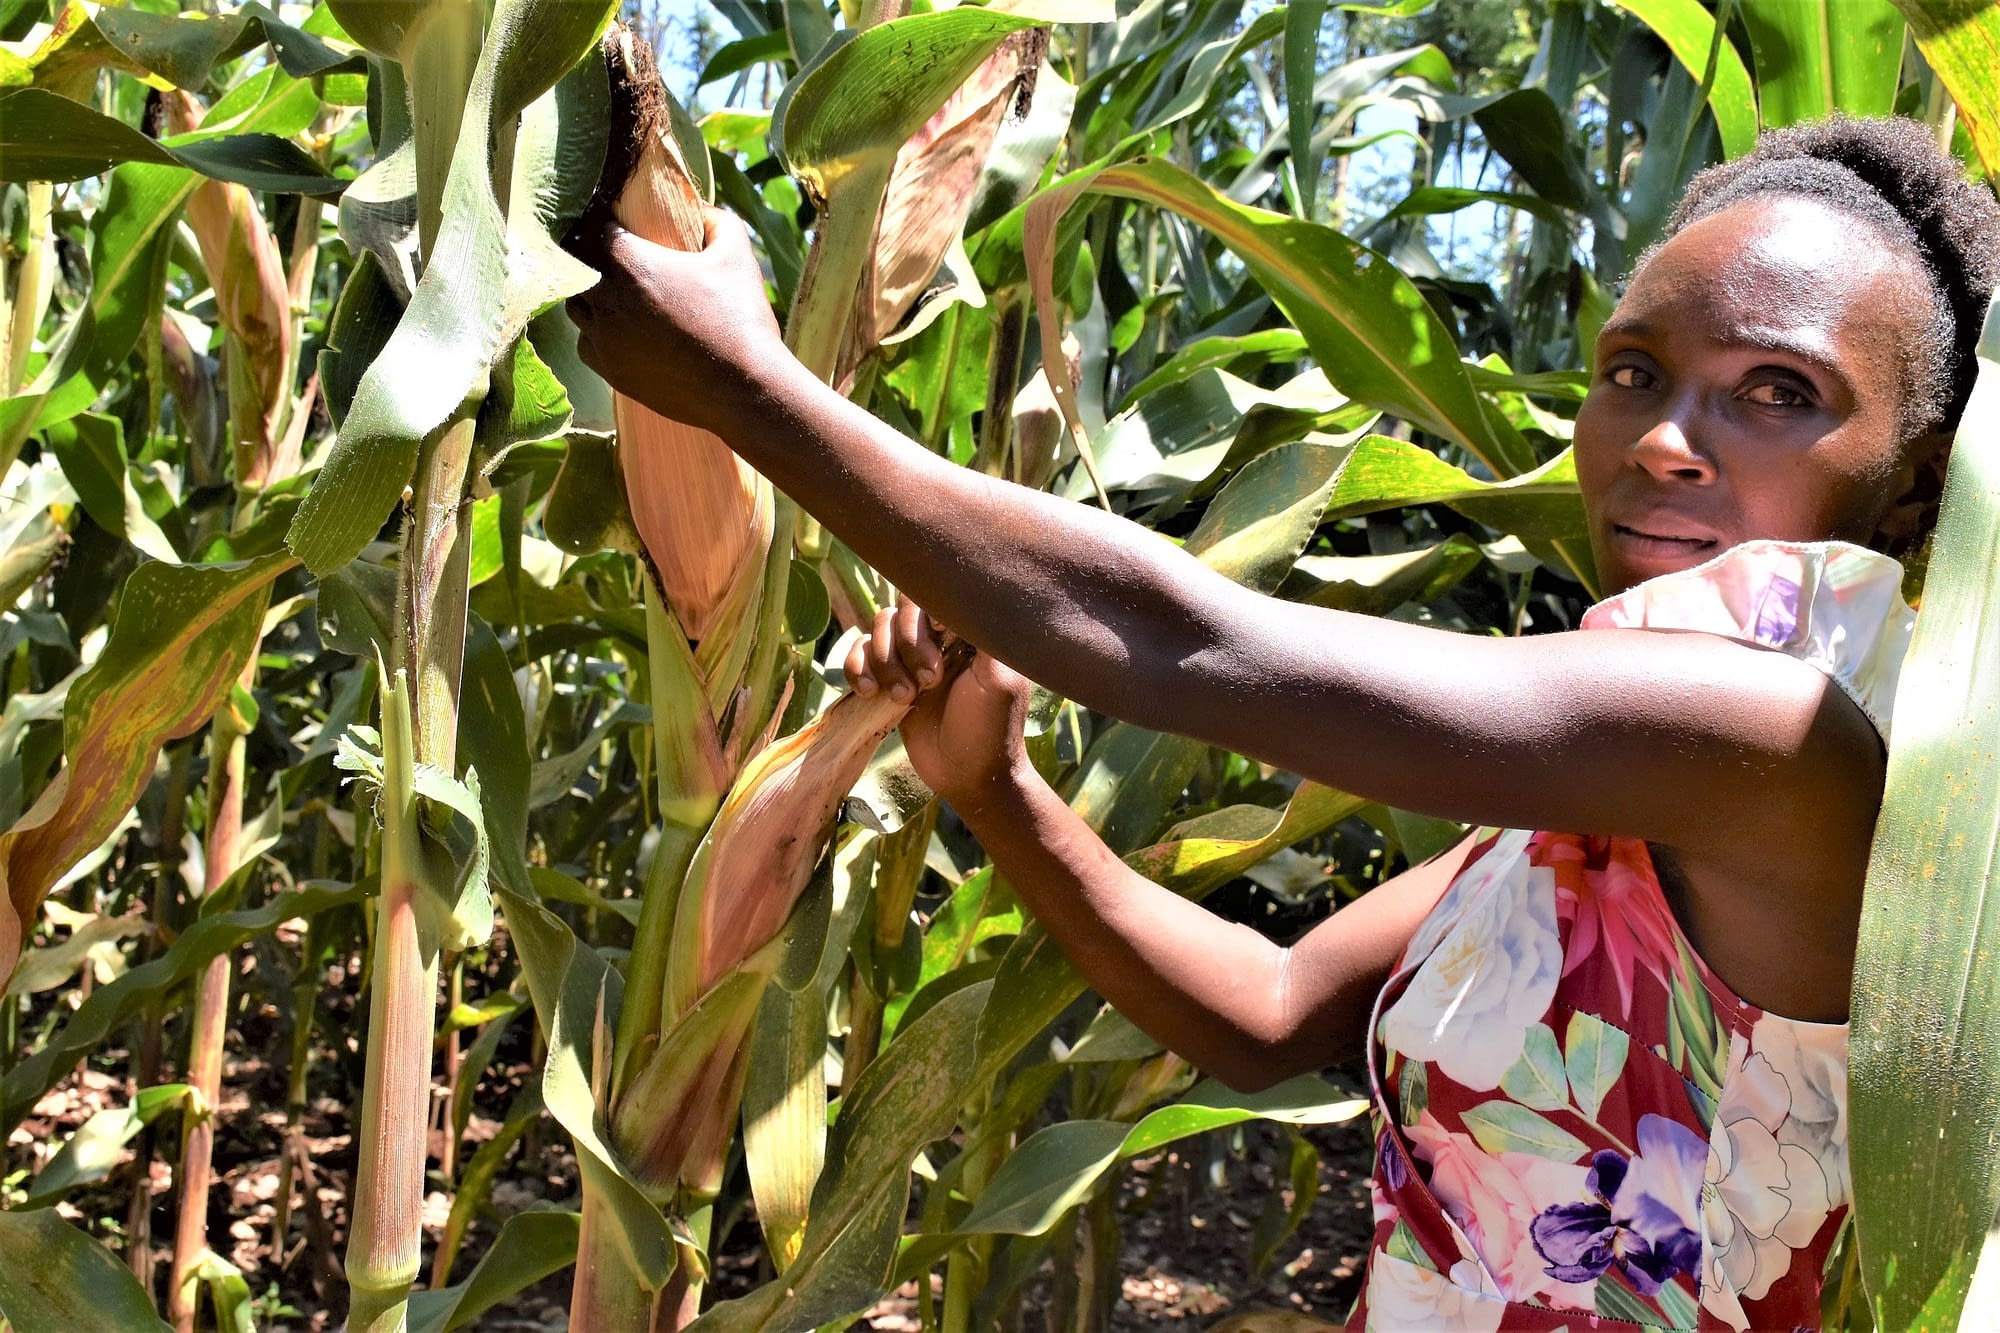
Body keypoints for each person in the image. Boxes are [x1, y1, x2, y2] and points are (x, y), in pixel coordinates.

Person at [568, 115, 2000, 1330]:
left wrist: (747, 387)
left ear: (1920, 486)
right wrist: (996, 789)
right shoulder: (1622, 801)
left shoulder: (1786, 736)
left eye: (1777, 391)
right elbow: (1268, 1013)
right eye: (1633, 370)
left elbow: (1200, 646)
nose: (1662, 436)